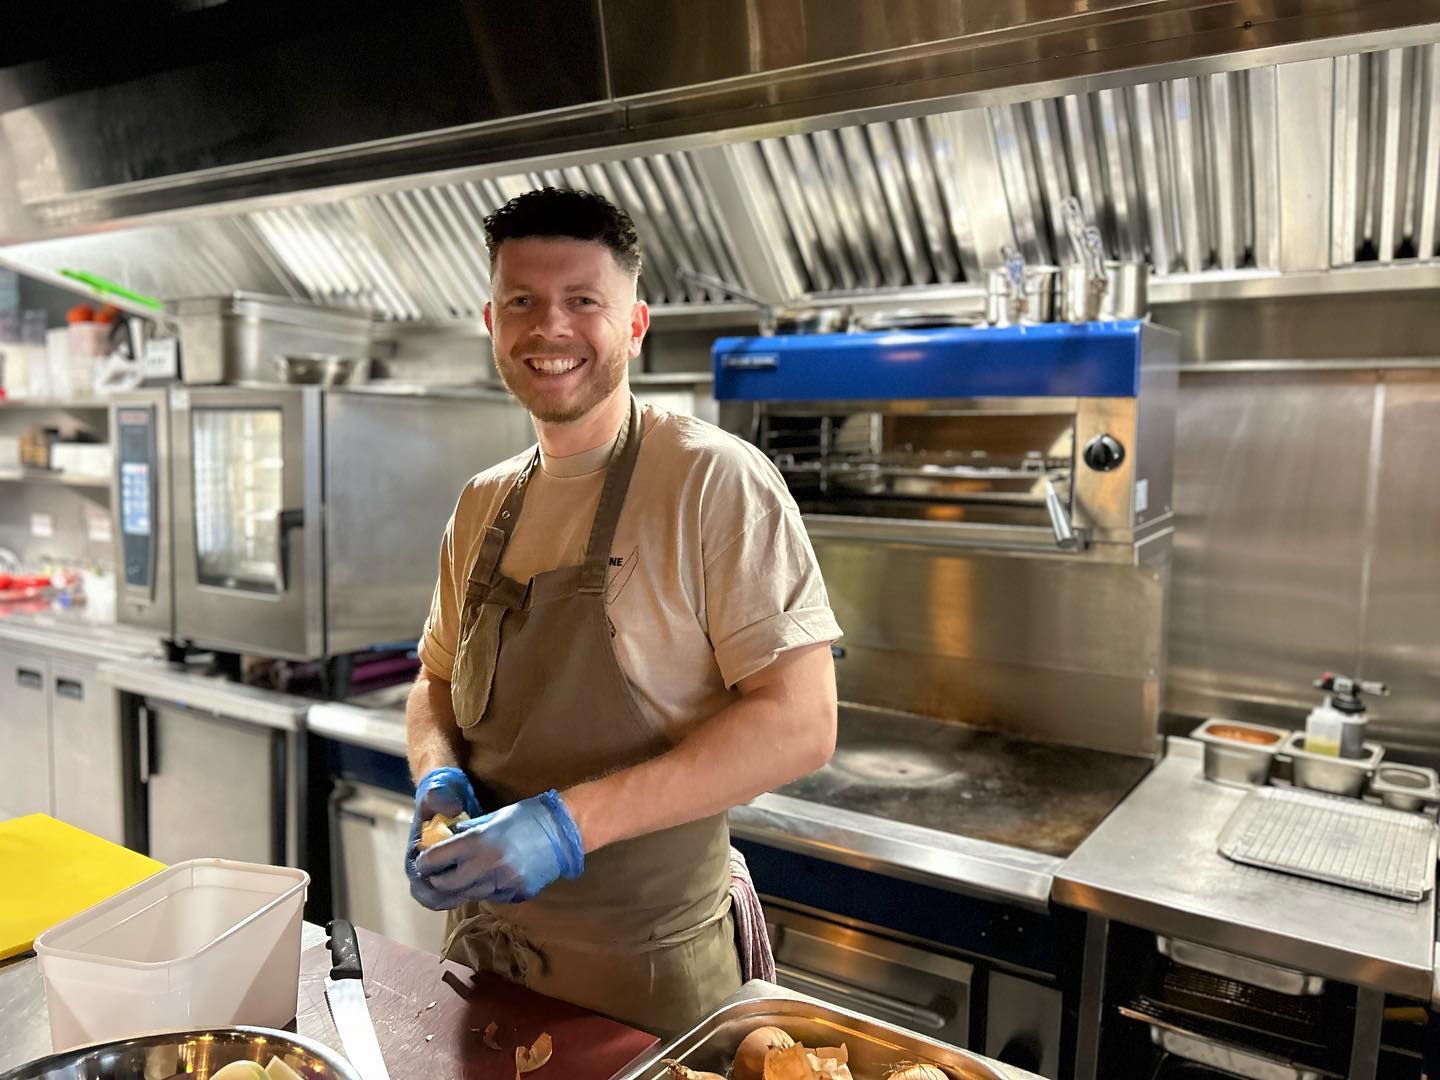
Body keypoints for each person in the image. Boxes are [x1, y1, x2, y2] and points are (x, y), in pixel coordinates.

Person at [404, 187, 842, 1035]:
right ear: (490, 323)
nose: (550, 328)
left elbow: (801, 723)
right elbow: (436, 681)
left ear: (635, 325)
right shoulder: (482, 502)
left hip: (651, 978)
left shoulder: (712, 480)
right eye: (522, 302)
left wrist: (566, 827)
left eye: (583, 302)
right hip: (486, 964)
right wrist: (436, 777)